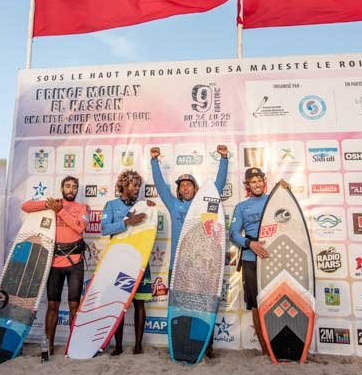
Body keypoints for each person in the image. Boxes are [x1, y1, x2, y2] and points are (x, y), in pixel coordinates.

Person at [150, 144, 228, 358]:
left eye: (189, 185)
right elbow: (160, 186)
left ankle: (206, 347)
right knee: (179, 308)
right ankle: (180, 344)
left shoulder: (205, 205)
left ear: (195, 188)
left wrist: (224, 159)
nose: (185, 188)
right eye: (182, 186)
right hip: (179, 267)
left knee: (203, 306)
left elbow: (218, 186)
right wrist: (154, 161)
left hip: (201, 266)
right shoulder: (174, 205)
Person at [21, 176, 90, 355]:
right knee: (52, 305)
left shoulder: (82, 208)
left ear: (77, 190)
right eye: (67, 186)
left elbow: (80, 228)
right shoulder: (54, 204)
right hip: (54, 263)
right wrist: (48, 204)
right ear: (61, 188)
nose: (71, 189)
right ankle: (49, 346)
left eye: (74, 187)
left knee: (74, 306)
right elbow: (26, 206)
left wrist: (60, 211)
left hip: (75, 263)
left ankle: (74, 346)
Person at [100, 169, 157, 355]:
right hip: (118, 261)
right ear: (123, 185)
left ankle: (138, 345)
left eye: (139, 186)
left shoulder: (143, 205)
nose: (137, 189)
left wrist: (149, 208)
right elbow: (104, 229)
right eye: (134, 185)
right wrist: (126, 222)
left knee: (140, 303)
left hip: (140, 260)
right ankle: (118, 346)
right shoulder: (111, 205)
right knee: (118, 303)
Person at [229, 167, 271, 355]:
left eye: (259, 180)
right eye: (253, 182)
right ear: (248, 185)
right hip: (250, 260)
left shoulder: (273, 200)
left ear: (264, 181)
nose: (257, 184)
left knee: (274, 300)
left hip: (272, 258)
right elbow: (232, 234)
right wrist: (249, 243)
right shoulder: (241, 207)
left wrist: (285, 191)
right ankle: (265, 349)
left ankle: (276, 344)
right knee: (256, 305)